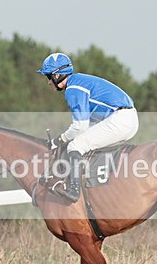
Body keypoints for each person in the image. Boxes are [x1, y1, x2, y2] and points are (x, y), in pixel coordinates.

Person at [37, 52, 138, 202]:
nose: (48, 82)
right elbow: (88, 125)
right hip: (128, 118)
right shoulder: (79, 82)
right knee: (83, 143)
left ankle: (74, 190)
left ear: (57, 76)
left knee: (75, 146)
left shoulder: (73, 89)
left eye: (48, 77)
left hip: (120, 119)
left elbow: (80, 127)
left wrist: (59, 140)